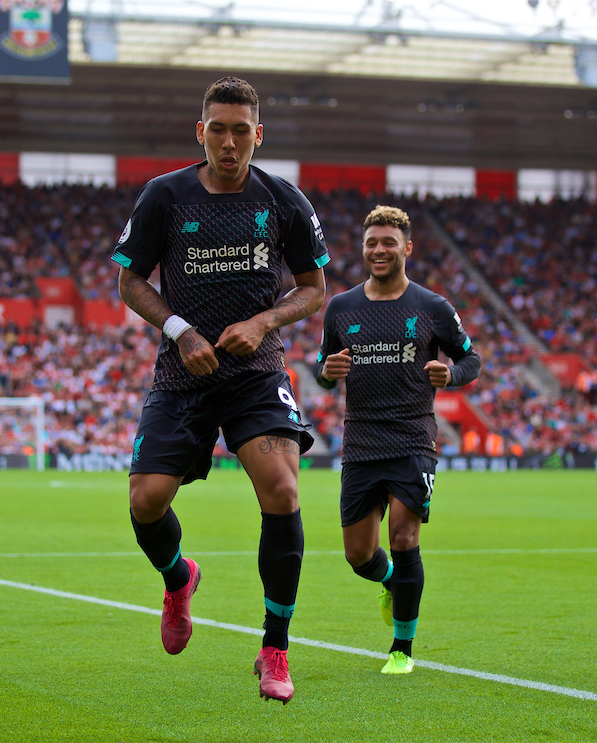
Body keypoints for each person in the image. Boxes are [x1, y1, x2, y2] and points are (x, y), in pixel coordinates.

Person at [111, 77, 328, 704]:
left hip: (255, 373)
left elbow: (313, 288)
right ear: (199, 131)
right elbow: (130, 282)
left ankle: (274, 649)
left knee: (283, 490)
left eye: (241, 130)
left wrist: (262, 323)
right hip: (184, 373)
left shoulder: (284, 200)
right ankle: (179, 578)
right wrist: (179, 331)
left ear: (258, 135)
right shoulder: (165, 196)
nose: (229, 142)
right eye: (218, 128)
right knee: (146, 502)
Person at [314, 206, 481, 675]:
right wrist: (326, 373)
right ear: (363, 248)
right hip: (362, 442)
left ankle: (402, 649)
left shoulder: (432, 307)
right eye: (372, 243)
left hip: (412, 438)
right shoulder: (341, 308)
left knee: (404, 536)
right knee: (358, 555)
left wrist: (451, 373)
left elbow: (473, 360)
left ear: (407, 247)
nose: (379, 250)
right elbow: (322, 368)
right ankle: (391, 581)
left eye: (389, 242)